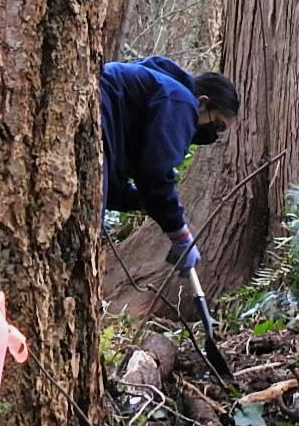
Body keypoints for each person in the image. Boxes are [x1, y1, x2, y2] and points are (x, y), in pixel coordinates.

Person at [99, 57, 238, 270]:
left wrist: (147, 202)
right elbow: (156, 173)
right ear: (202, 102)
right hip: (95, 117)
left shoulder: (157, 93)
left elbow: (116, 189)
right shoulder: (181, 101)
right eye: (217, 125)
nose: (213, 135)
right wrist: (179, 233)